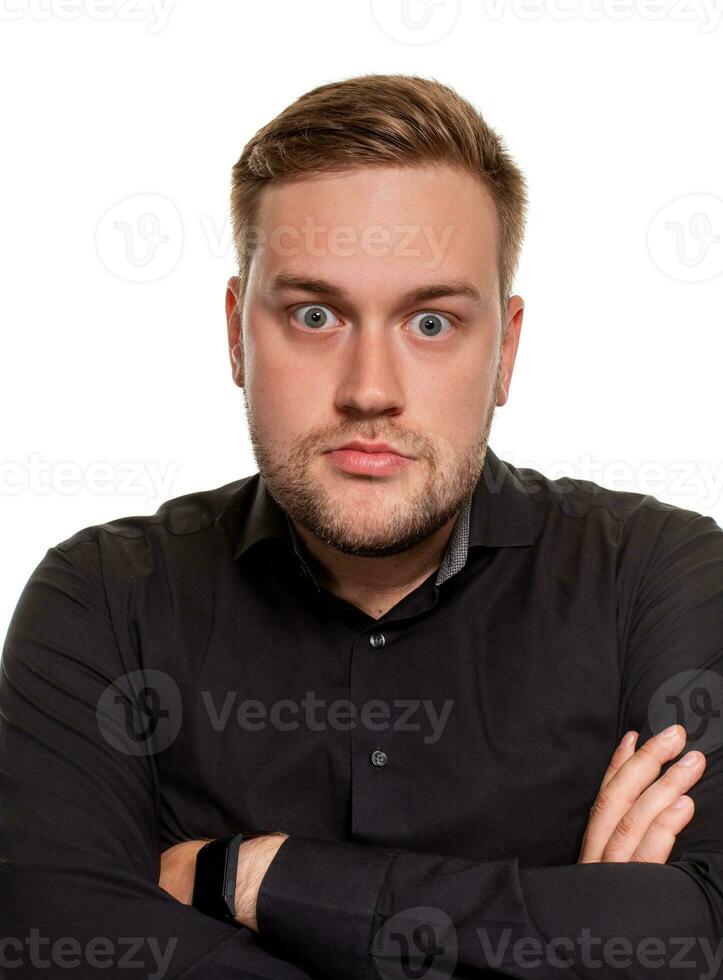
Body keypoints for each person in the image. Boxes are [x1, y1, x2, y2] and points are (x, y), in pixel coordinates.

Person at [1, 73, 721, 980]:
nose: (369, 388)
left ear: (504, 348)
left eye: (430, 321)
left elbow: (703, 932)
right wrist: (567, 943)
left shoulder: (660, 576)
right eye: (314, 315)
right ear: (235, 333)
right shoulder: (103, 598)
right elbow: (53, 945)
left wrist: (253, 877)